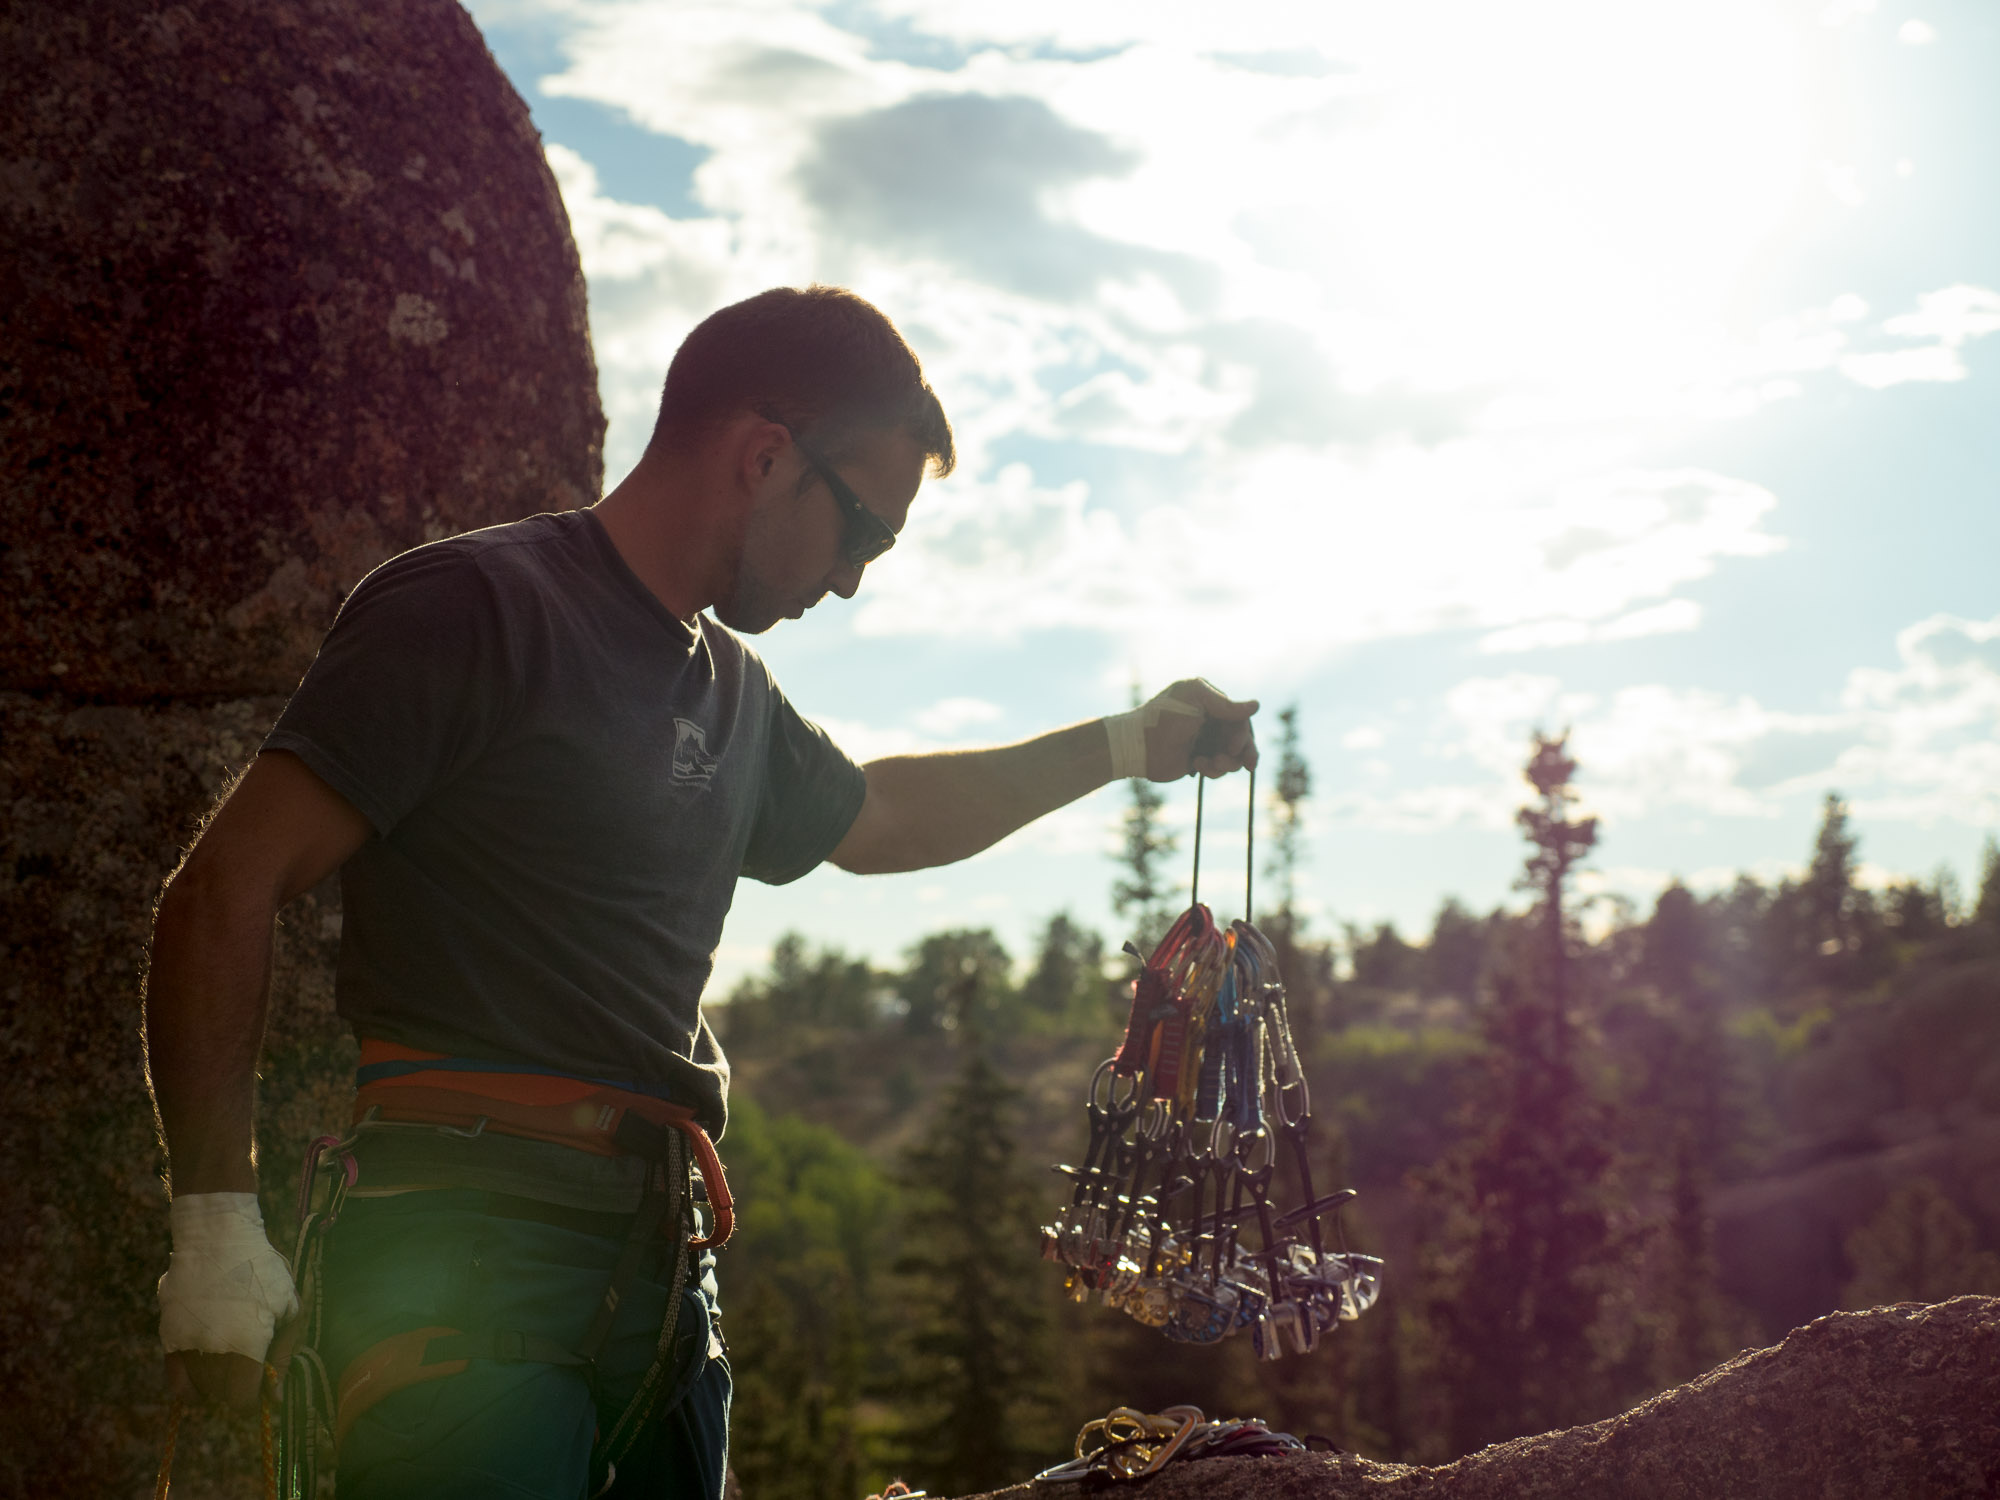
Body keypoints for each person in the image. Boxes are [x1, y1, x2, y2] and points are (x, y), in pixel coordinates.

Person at [144, 284, 1258, 1498]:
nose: (850, 581)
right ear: (766, 457)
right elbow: (224, 889)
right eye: (862, 534)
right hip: (468, 1240)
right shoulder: (475, 609)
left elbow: (879, 817)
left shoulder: (733, 690)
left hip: (668, 1273)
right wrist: (213, 1227)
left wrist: (1123, 745)